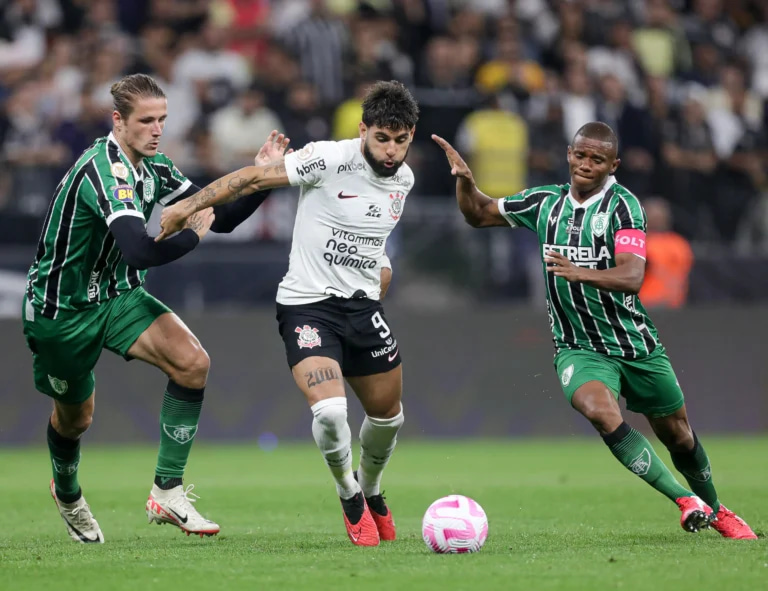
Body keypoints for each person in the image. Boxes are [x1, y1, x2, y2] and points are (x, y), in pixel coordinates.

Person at [431, 122, 757, 540]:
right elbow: (478, 213)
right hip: (577, 347)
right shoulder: (544, 202)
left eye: (597, 159)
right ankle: (684, 500)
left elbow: (633, 275)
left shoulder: (624, 207)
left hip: (633, 342)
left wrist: (578, 272)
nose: (586, 165)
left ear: (613, 164)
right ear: (569, 154)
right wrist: (465, 182)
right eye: (580, 155)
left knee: (678, 435)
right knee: (602, 413)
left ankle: (716, 508)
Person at [22, 74, 290, 543]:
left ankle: (166, 492)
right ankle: (67, 492)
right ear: (118, 121)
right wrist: (192, 234)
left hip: (118, 296)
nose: (156, 129)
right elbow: (140, 251)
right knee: (75, 418)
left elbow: (220, 217)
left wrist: (263, 176)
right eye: (146, 120)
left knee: (192, 364)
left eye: (162, 119)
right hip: (61, 311)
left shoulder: (155, 167)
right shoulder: (102, 171)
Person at [158, 80, 419, 547]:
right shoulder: (329, 157)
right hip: (308, 308)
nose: (391, 150)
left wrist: (380, 271)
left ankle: (372, 487)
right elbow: (254, 179)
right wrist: (188, 206)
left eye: (401, 140)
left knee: (388, 419)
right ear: (363, 130)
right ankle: (348, 494)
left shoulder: (404, 180)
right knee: (332, 413)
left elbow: (372, 244)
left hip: (362, 310)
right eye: (382, 138)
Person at [638, 197, 694, 308]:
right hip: (647, 305)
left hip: (674, 305)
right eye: (655, 217)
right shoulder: (638, 243)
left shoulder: (679, 244)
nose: (658, 220)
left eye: (660, 217)